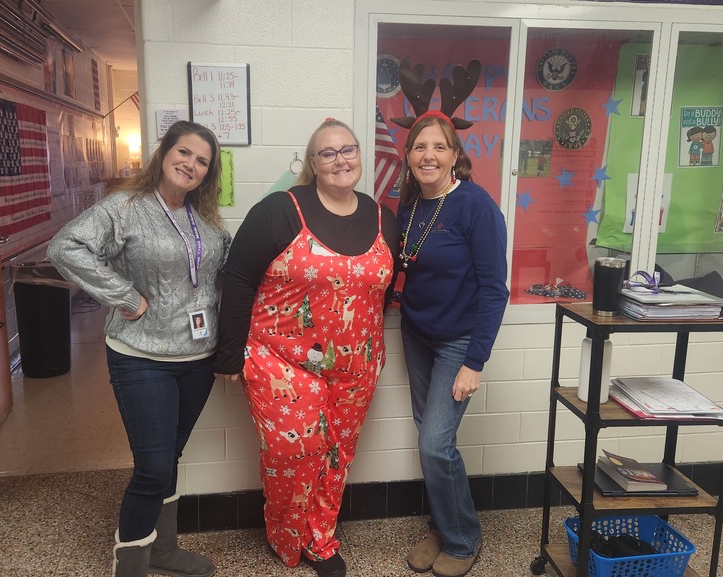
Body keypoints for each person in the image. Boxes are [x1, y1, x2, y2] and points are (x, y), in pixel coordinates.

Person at [215, 119, 399, 577]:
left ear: (361, 156)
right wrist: (228, 353)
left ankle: (320, 540)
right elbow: (238, 279)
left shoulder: (383, 218)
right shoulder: (280, 210)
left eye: (348, 150)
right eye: (328, 153)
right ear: (312, 164)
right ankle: (285, 538)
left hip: (357, 367)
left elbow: (384, 289)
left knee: (336, 455)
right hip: (280, 360)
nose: (341, 160)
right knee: (293, 453)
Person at [47, 121, 230, 577]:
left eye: (202, 161)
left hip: (197, 357)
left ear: (208, 173)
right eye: (184, 152)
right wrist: (126, 297)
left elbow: (224, 269)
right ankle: (128, 565)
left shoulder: (204, 219)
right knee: (151, 467)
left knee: (169, 458)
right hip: (140, 356)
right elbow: (64, 246)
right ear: (164, 153)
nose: (191, 164)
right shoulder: (125, 207)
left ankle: (163, 551)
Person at [396, 112, 509, 577]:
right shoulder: (409, 205)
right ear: (407, 157)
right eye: (420, 147)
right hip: (416, 334)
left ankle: (463, 541)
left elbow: (494, 289)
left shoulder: (476, 206)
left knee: (434, 445)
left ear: (455, 155)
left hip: (457, 342)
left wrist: (474, 361)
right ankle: (444, 525)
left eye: (439, 147)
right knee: (432, 439)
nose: (429, 155)